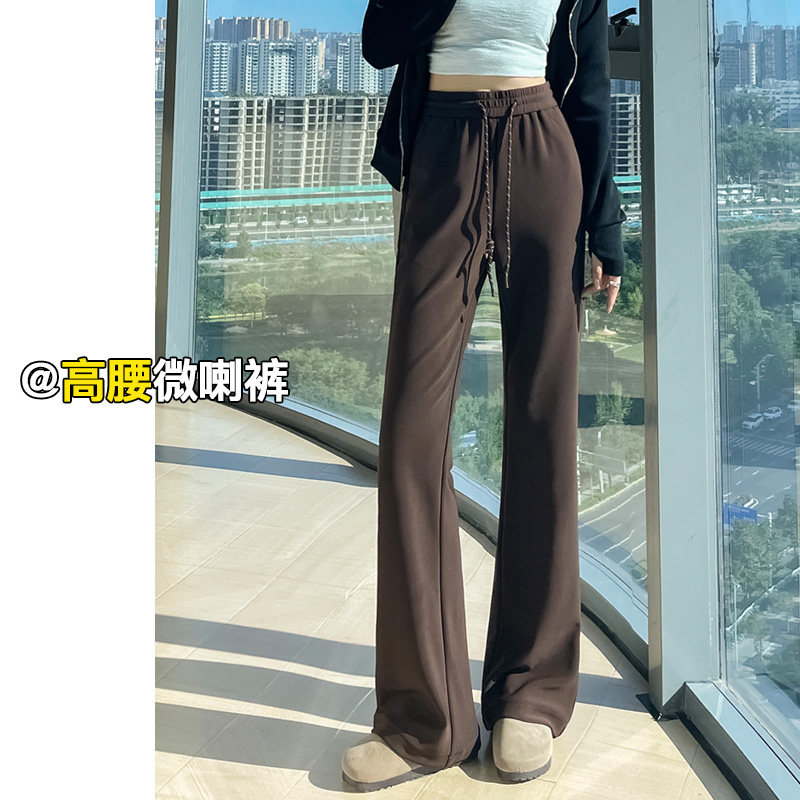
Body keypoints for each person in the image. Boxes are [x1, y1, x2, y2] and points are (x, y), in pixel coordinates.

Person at [341, 0, 627, 791]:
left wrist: (605, 230)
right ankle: (422, 718)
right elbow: (379, 42)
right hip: (442, 146)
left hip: (543, 148)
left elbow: (591, 89)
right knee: (410, 435)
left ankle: (530, 695)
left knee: (542, 423)